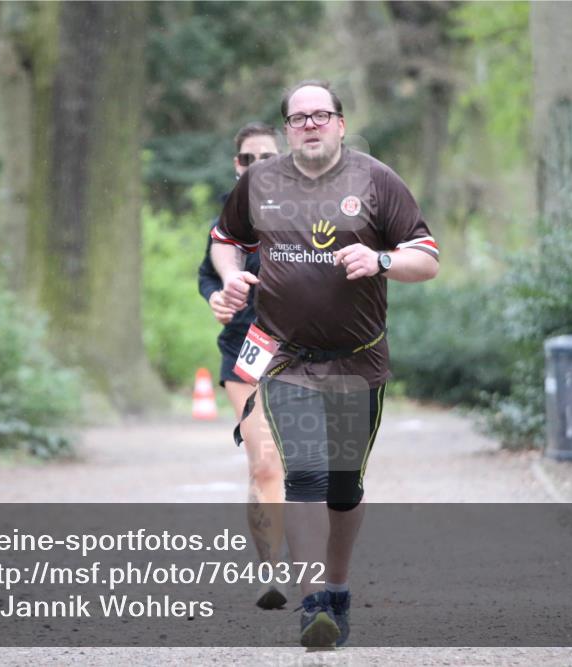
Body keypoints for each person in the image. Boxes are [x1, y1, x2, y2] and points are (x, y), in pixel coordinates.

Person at [211, 80, 439, 647]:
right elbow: (223, 238)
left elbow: (427, 260)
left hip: (358, 363)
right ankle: (314, 601)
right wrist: (230, 277)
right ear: (287, 129)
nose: (310, 124)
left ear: (340, 122)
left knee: (344, 487)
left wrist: (382, 258)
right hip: (286, 358)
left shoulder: (376, 180)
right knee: (305, 475)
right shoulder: (260, 183)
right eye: (298, 117)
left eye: (321, 115)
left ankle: (337, 589)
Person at [197, 122, 287, 610]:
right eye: (248, 159)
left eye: (267, 157)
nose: (257, 167)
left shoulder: (307, 210)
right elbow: (211, 268)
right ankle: (271, 571)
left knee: (313, 468)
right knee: (265, 462)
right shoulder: (229, 218)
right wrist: (220, 294)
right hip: (244, 352)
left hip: (304, 351)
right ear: (238, 166)